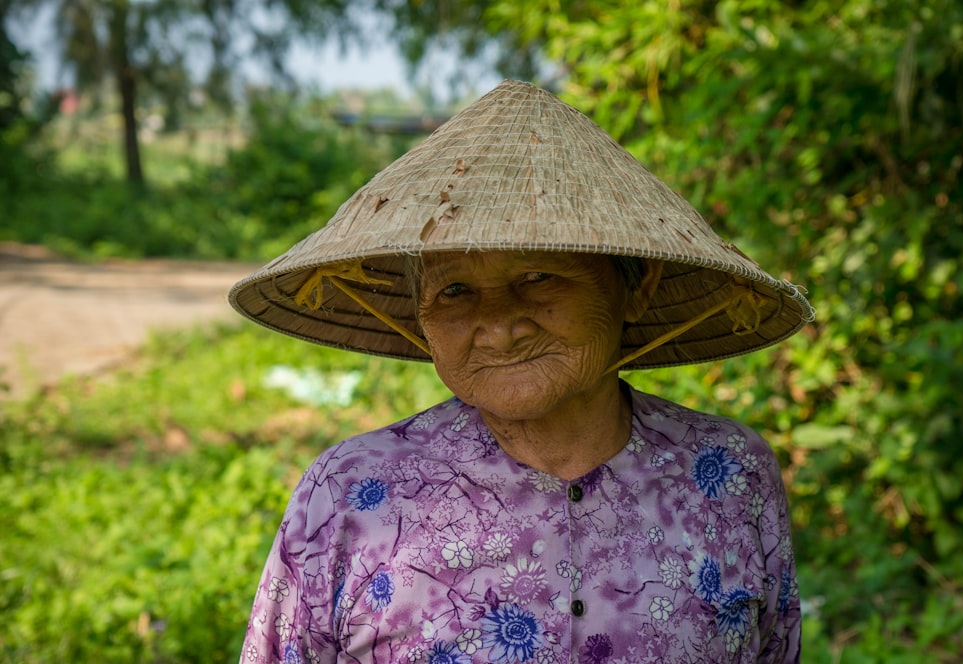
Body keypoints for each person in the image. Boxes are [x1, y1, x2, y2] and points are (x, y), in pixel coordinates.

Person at [229, 80, 813, 664]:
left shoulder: (731, 475)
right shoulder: (348, 493)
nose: (501, 327)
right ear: (422, 315)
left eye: (538, 277)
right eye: (454, 290)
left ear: (638, 288)